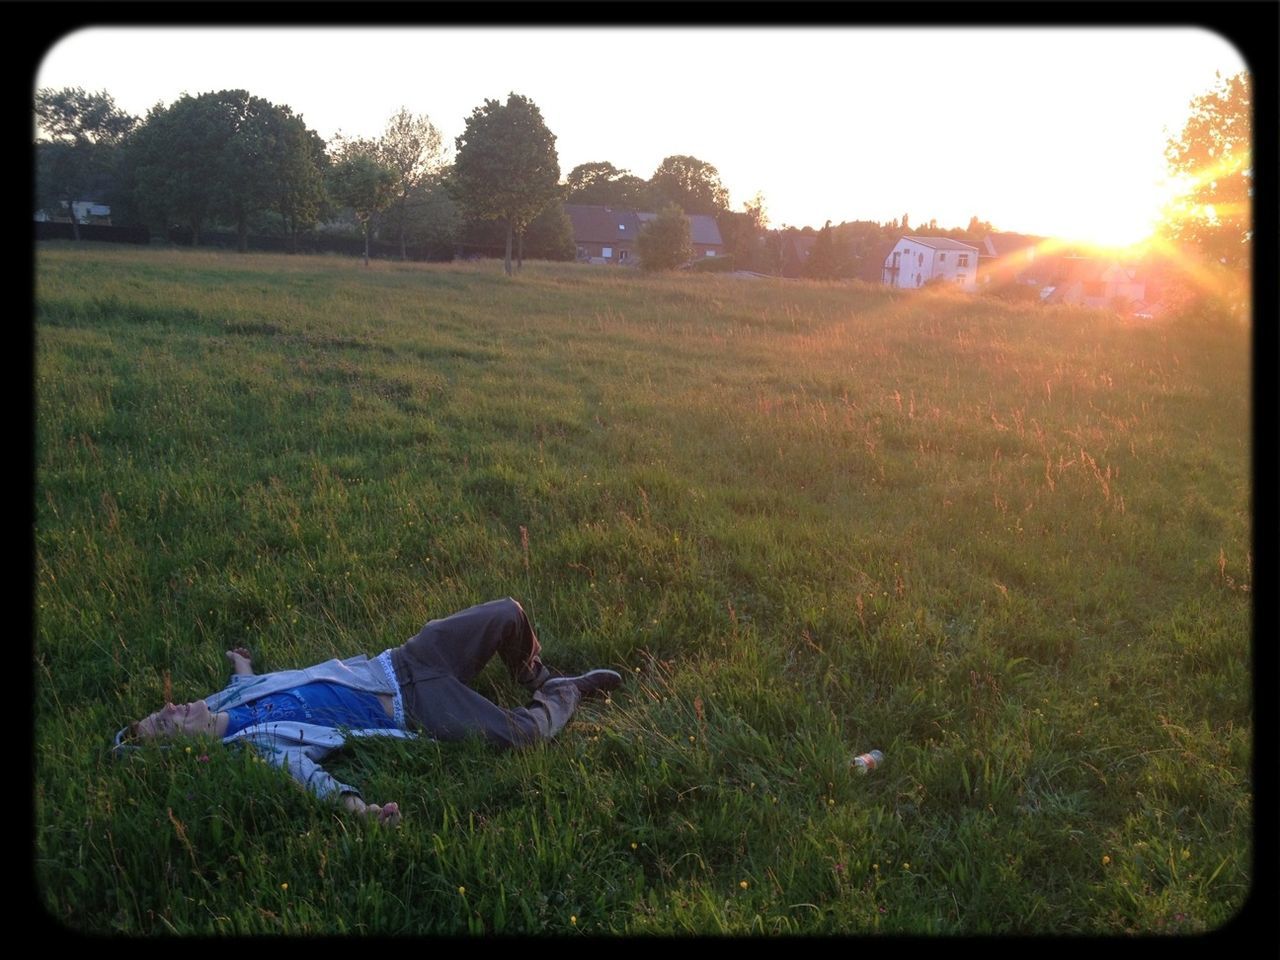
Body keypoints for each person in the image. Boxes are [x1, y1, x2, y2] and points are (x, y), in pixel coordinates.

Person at [113, 597, 621, 827]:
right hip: (418, 707)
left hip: (402, 660)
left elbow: (244, 683)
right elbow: (312, 780)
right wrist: (364, 813)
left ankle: (534, 674)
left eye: (163, 710)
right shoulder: (260, 748)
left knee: (508, 612)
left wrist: (241, 662)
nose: (171, 707)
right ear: (189, 746)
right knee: (521, 737)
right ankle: (564, 694)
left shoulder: (227, 700)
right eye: (166, 723)